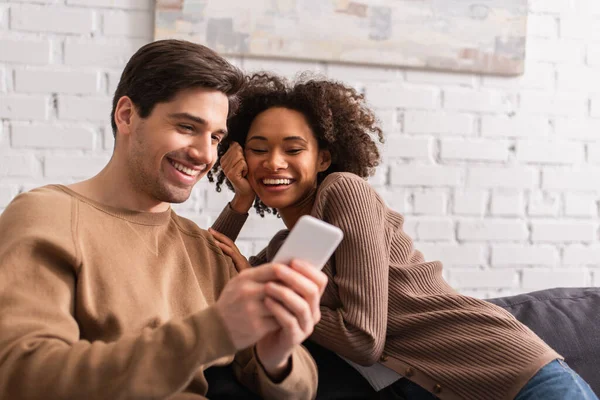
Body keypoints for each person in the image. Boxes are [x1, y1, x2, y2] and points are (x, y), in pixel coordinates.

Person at [207, 72, 599, 400]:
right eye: (259, 149)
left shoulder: (343, 191)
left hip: (511, 374)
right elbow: (203, 271)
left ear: (322, 158)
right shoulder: (282, 254)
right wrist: (240, 200)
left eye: (293, 148)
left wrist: (269, 295)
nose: (274, 162)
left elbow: (363, 340)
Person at [0, 41, 329, 400]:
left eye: (216, 137)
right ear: (127, 115)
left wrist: (275, 354)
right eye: (187, 127)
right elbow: (23, 376)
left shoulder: (205, 247)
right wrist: (209, 332)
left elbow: (302, 387)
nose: (205, 154)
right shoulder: (47, 216)